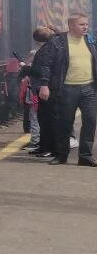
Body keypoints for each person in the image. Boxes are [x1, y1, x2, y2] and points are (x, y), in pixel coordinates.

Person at [36, 13, 97, 166]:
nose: (85, 27)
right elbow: (46, 64)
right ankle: (61, 155)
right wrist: (44, 84)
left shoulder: (90, 40)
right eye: (81, 24)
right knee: (64, 123)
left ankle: (85, 156)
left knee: (90, 121)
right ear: (71, 26)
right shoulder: (58, 42)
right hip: (67, 89)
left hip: (88, 88)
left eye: (86, 24)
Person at [22, 26, 55, 156]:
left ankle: (47, 148)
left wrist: (26, 69)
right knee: (42, 118)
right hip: (42, 86)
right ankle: (43, 146)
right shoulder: (47, 49)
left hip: (43, 87)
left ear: (37, 40)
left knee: (45, 119)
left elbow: (41, 70)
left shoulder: (45, 50)